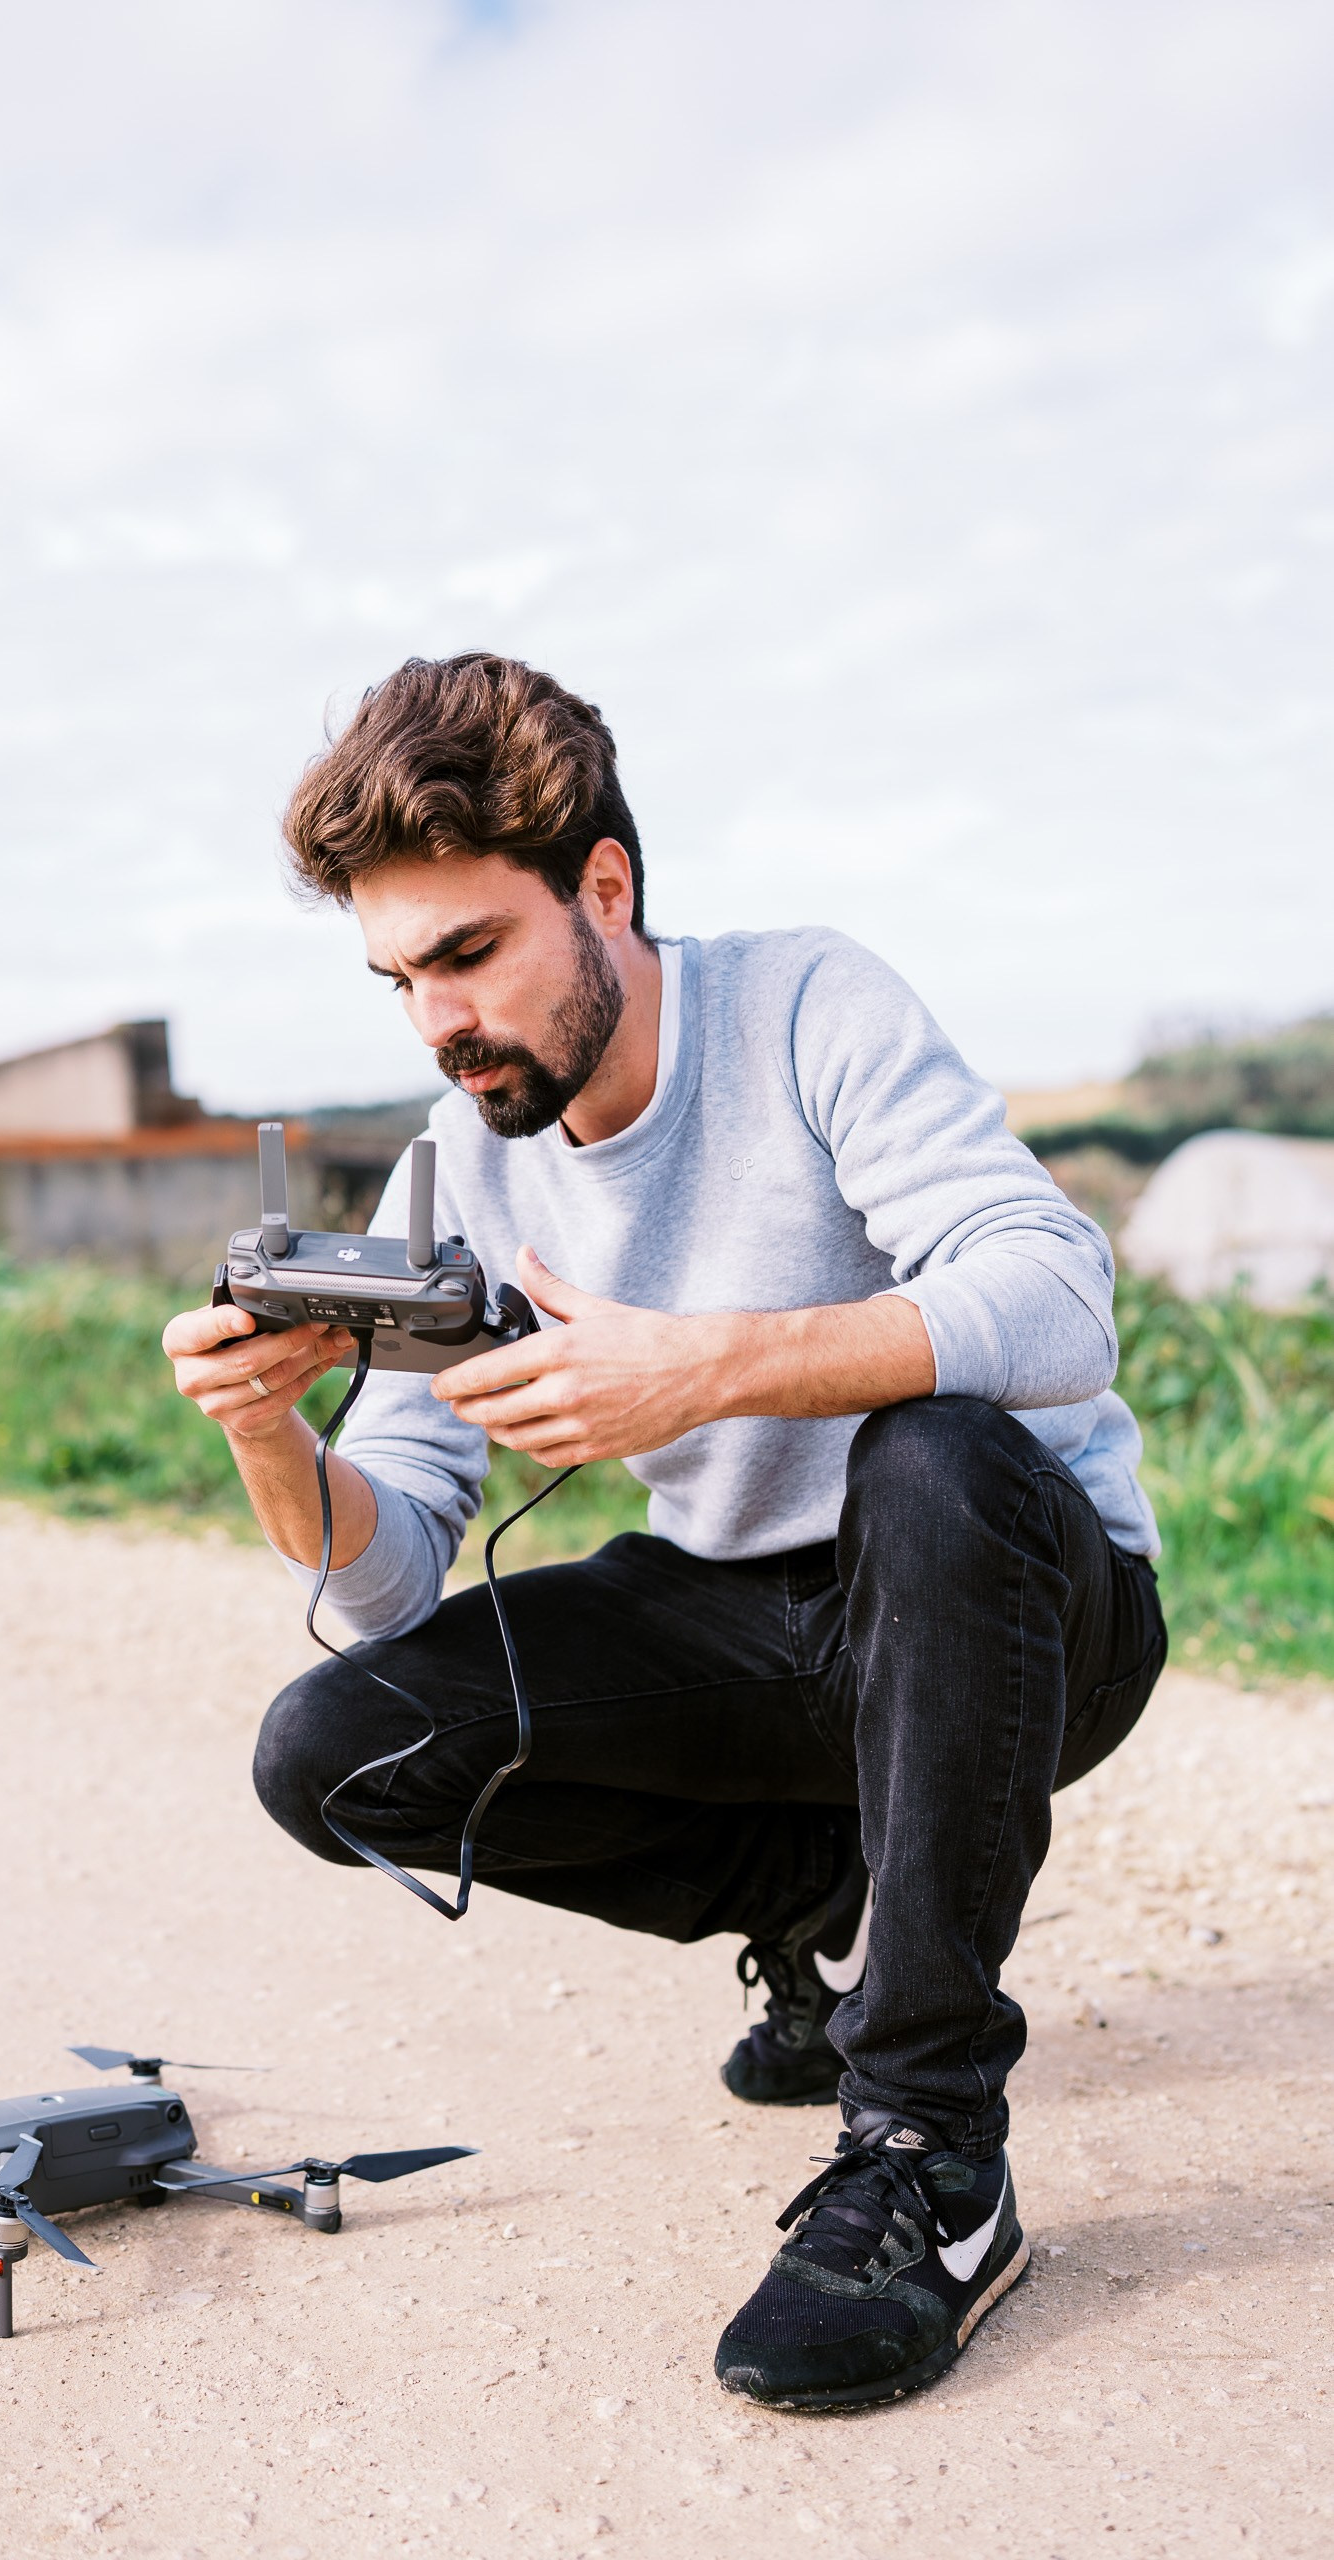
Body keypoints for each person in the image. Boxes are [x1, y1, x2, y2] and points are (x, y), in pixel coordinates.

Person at [163, 652, 1166, 2411]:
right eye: (399, 977)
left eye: (469, 955)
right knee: (336, 1744)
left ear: (603, 890)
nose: (439, 1022)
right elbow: (389, 1568)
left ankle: (932, 2153)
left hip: (1013, 1603)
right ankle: (824, 1898)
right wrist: (268, 1429)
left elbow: (1059, 1296)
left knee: (929, 1455)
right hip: (743, 1621)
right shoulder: (458, 1162)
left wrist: (701, 1374)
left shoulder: (805, 1007)